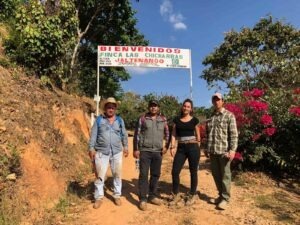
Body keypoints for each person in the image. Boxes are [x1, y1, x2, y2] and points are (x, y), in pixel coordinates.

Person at [88, 97, 128, 209]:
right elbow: (93, 135)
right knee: (100, 175)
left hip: (116, 152)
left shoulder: (119, 120)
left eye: (113, 107)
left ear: (115, 108)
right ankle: (98, 197)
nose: (111, 109)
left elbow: (124, 134)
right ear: (105, 108)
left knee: (117, 174)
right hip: (101, 151)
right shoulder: (99, 120)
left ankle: (116, 195)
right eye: (108, 107)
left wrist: (126, 147)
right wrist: (91, 148)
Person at [133, 99, 169, 211]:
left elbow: (167, 133)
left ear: (158, 108)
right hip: (145, 151)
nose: (153, 108)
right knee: (143, 174)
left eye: (155, 106)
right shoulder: (143, 118)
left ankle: (152, 196)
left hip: (158, 152)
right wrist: (136, 149)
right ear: (149, 107)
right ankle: (143, 199)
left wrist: (166, 146)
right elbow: (137, 134)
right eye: (152, 106)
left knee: (155, 174)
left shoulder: (163, 119)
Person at [205, 93, 238, 210]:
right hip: (213, 151)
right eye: (214, 100)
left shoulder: (229, 116)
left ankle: (225, 198)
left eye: (218, 100)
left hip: (224, 152)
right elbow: (208, 135)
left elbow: (234, 135)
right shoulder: (211, 117)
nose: (216, 102)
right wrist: (206, 148)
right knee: (216, 175)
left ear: (223, 101)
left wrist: (232, 150)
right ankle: (220, 196)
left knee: (225, 176)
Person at [169, 98, 201, 206]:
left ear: (191, 109)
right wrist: (172, 147)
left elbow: (197, 132)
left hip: (193, 147)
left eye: (188, 106)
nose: (186, 108)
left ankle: (192, 194)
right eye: (184, 106)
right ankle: (175, 194)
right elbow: (173, 134)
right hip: (181, 148)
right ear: (182, 107)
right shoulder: (176, 120)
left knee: (193, 171)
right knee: (175, 171)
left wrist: (198, 144)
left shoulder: (194, 120)